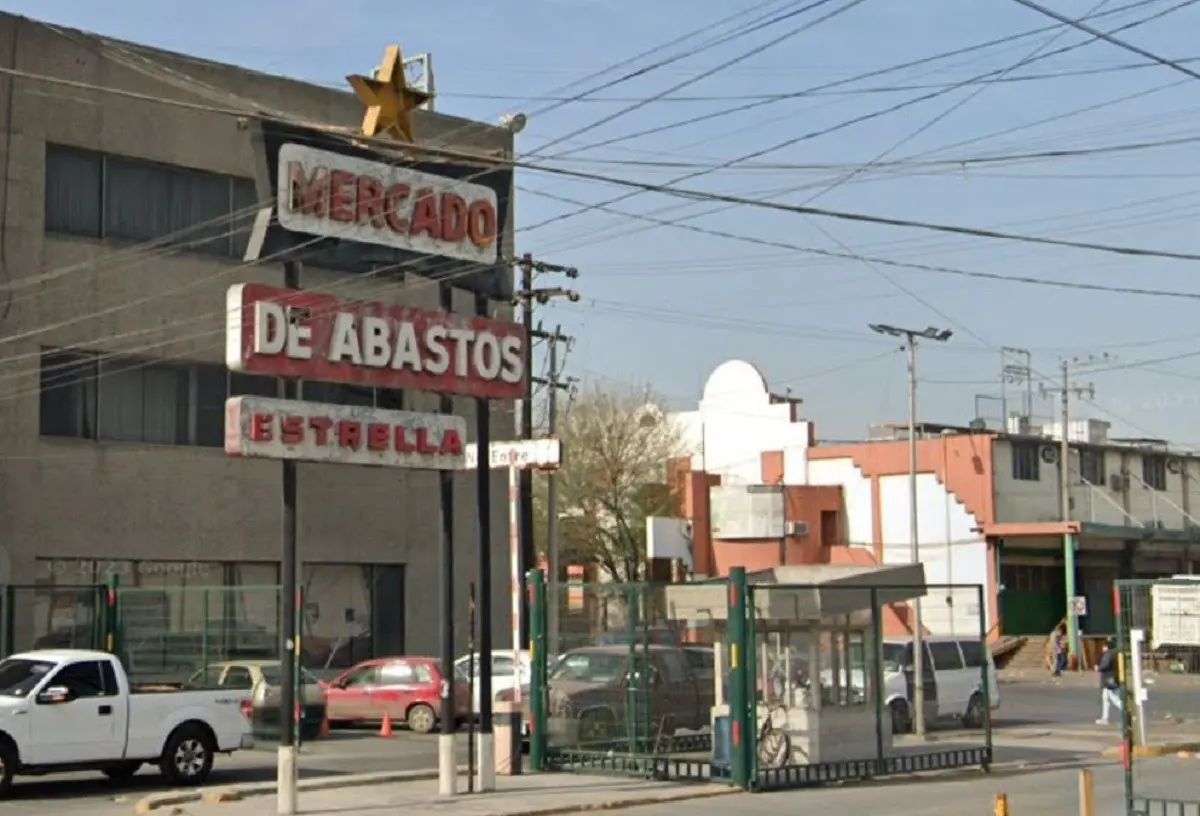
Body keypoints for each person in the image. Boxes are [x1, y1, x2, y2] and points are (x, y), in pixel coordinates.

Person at [1096, 638, 1122, 725]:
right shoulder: (1116, 653)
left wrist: (1098, 668)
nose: (1103, 648)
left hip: (1109, 679)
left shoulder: (1108, 654)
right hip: (1114, 677)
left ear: (1107, 647)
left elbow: (1104, 665)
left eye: (1104, 646)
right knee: (1105, 698)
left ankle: (1126, 714)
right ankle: (1104, 718)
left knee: (1114, 699)